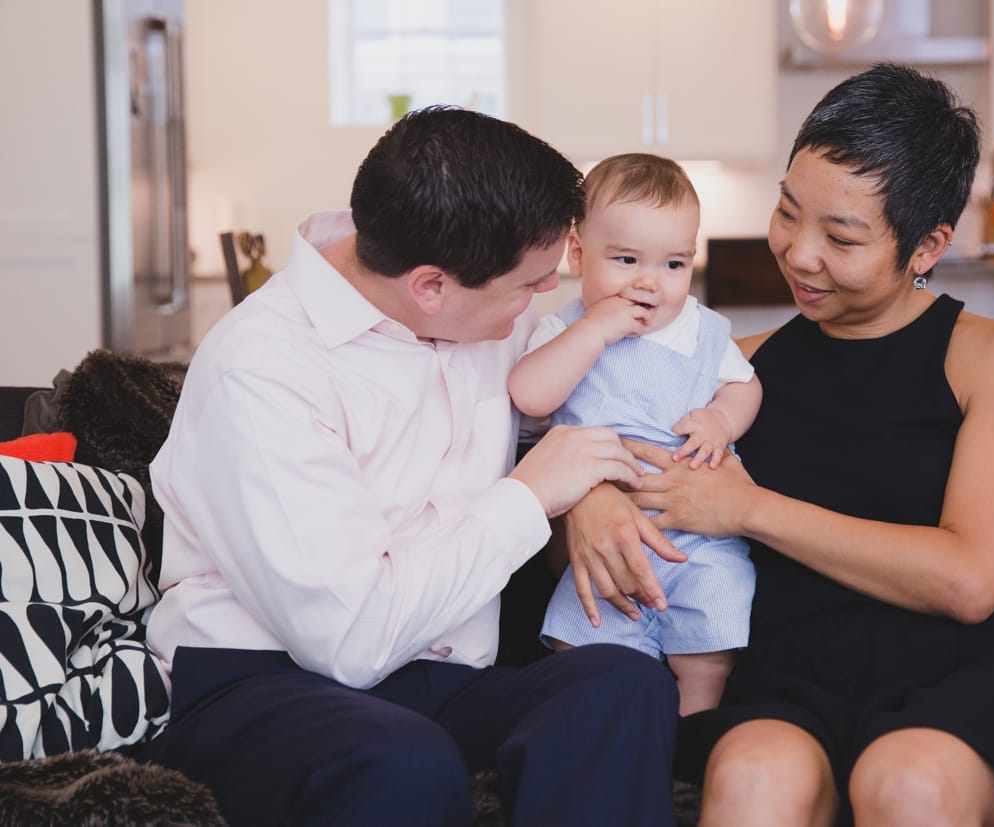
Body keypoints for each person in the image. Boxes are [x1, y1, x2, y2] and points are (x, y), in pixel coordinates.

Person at [559, 64, 994, 826]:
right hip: (795, 666)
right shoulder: (728, 366)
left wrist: (750, 509)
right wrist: (586, 503)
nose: (799, 253)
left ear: (926, 246)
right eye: (788, 212)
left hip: (970, 664)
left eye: (841, 236)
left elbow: (969, 579)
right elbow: (595, 432)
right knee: (752, 780)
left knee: (905, 783)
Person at [134, 106, 679, 827]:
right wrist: (533, 495)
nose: (545, 300)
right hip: (264, 680)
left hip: (442, 675)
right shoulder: (262, 367)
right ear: (431, 286)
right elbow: (350, 641)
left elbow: (606, 379)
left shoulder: (476, 299)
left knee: (622, 682)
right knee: (401, 761)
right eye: (529, 285)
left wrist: (594, 493)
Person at [507, 153, 761, 715]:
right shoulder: (564, 328)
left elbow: (745, 386)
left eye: (674, 265)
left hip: (699, 536)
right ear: (577, 254)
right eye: (626, 260)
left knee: (707, 649)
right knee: (587, 643)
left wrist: (720, 419)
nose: (650, 283)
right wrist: (596, 329)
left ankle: (693, 729)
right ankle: (608, 727)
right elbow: (531, 395)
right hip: (601, 538)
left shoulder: (701, 329)